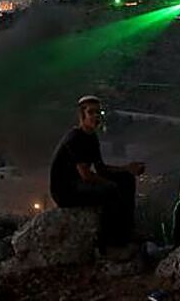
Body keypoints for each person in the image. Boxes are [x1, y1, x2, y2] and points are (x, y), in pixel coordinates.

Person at [49, 95, 145, 246]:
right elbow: (86, 175)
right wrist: (111, 184)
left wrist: (127, 169)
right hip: (66, 191)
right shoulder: (75, 138)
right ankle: (109, 240)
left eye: (98, 113)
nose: (96, 117)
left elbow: (101, 169)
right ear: (82, 115)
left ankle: (127, 230)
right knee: (110, 191)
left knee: (126, 180)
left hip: (79, 184)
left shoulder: (91, 138)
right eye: (91, 112)